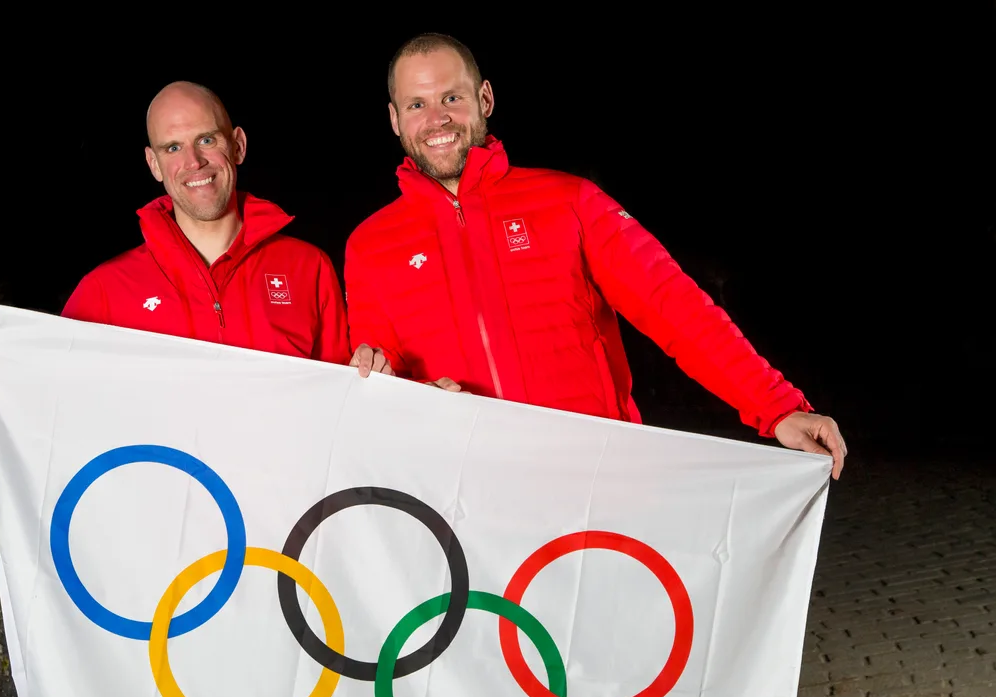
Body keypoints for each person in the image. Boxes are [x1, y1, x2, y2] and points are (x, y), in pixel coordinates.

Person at [345, 33, 847, 479]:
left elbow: (676, 308)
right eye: (416, 104)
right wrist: (404, 395)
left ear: (485, 98)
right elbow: (378, 377)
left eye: (451, 97)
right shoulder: (370, 246)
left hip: (597, 478)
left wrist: (778, 408)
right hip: (467, 490)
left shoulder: (570, 202)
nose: (437, 118)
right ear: (394, 118)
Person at [0, 81, 350, 437]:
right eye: (173, 147)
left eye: (207, 140)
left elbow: (344, 412)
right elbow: (41, 423)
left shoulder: (308, 269)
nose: (194, 162)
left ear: (238, 145)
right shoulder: (105, 291)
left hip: (285, 501)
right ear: (154, 164)